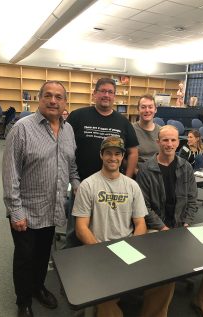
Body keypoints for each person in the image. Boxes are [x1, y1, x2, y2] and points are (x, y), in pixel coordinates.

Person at [73, 135, 175, 317]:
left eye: (117, 154)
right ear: (101, 155)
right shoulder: (88, 185)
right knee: (104, 295)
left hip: (128, 246)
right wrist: (101, 251)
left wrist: (133, 248)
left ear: (122, 157)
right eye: (108, 153)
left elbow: (140, 222)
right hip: (99, 248)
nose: (113, 158)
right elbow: (81, 227)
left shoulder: (132, 185)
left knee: (167, 280)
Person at [2, 81, 80, 317]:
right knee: (25, 258)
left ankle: (38, 287)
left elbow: (72, 165)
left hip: (53, 207)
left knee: (43, 254)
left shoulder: (68, 130)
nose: (53, 101)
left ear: (65, 102)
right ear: (40, 98)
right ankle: (23, 301)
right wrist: (16, 211)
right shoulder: (22, 129)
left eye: (58, 97)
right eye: (48, 95)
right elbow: (10, 173)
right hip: (26, 209)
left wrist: (77, 185)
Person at [136, 125, 203, 317]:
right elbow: (144, 207)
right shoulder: (145, 170)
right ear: (158, 142)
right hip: (156, 229)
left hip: (183, 226)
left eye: (173, 140)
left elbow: (192, 200)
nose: (169, 144)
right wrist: (163, 227)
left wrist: (186, 222)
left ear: (178, 142)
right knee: (167, 272)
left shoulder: (185, 167)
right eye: (165, 140)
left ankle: (200, 297)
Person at [65, 77, 139, 247]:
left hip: (111, 186)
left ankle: (101, 261)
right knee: (74, 230)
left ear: (114, 96)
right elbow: (64, 150)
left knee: (103, 228)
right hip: (80, 183)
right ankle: (69, 264)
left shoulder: (123, 122)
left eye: (110, 92)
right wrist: (73, 181)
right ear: (94, 94)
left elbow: (133, 152)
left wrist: (125, 180)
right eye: (102, 91)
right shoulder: (78, 116)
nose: (106, 95)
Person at [132, 94, 161, 172]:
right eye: (143, 107)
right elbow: (123, 158)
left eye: (150, 107)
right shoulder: (130, 130)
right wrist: (137, 173)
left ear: (155, 109)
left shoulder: (161, 131)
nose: (147, 110)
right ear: (138, 109)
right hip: (137, 175)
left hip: (157, 175)